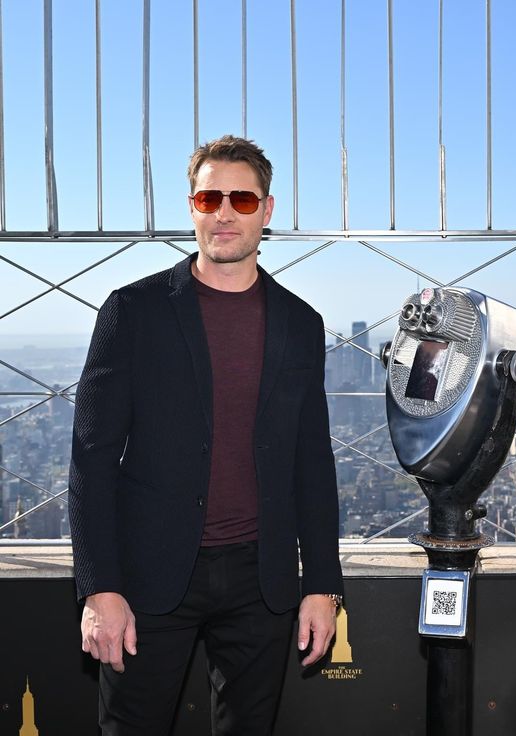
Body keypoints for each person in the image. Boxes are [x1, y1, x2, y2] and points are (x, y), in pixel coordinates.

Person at [69, 134, 343, 736]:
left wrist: (323, 585)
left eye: (241, 200)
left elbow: (312, 461)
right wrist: (99, 588)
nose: (224, 213)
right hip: (149, 575)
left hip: (262, 579)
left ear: (266, 211)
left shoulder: (301, 323)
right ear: (191, 207)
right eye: (208, 198)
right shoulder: (132, 311)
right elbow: (91, 457)